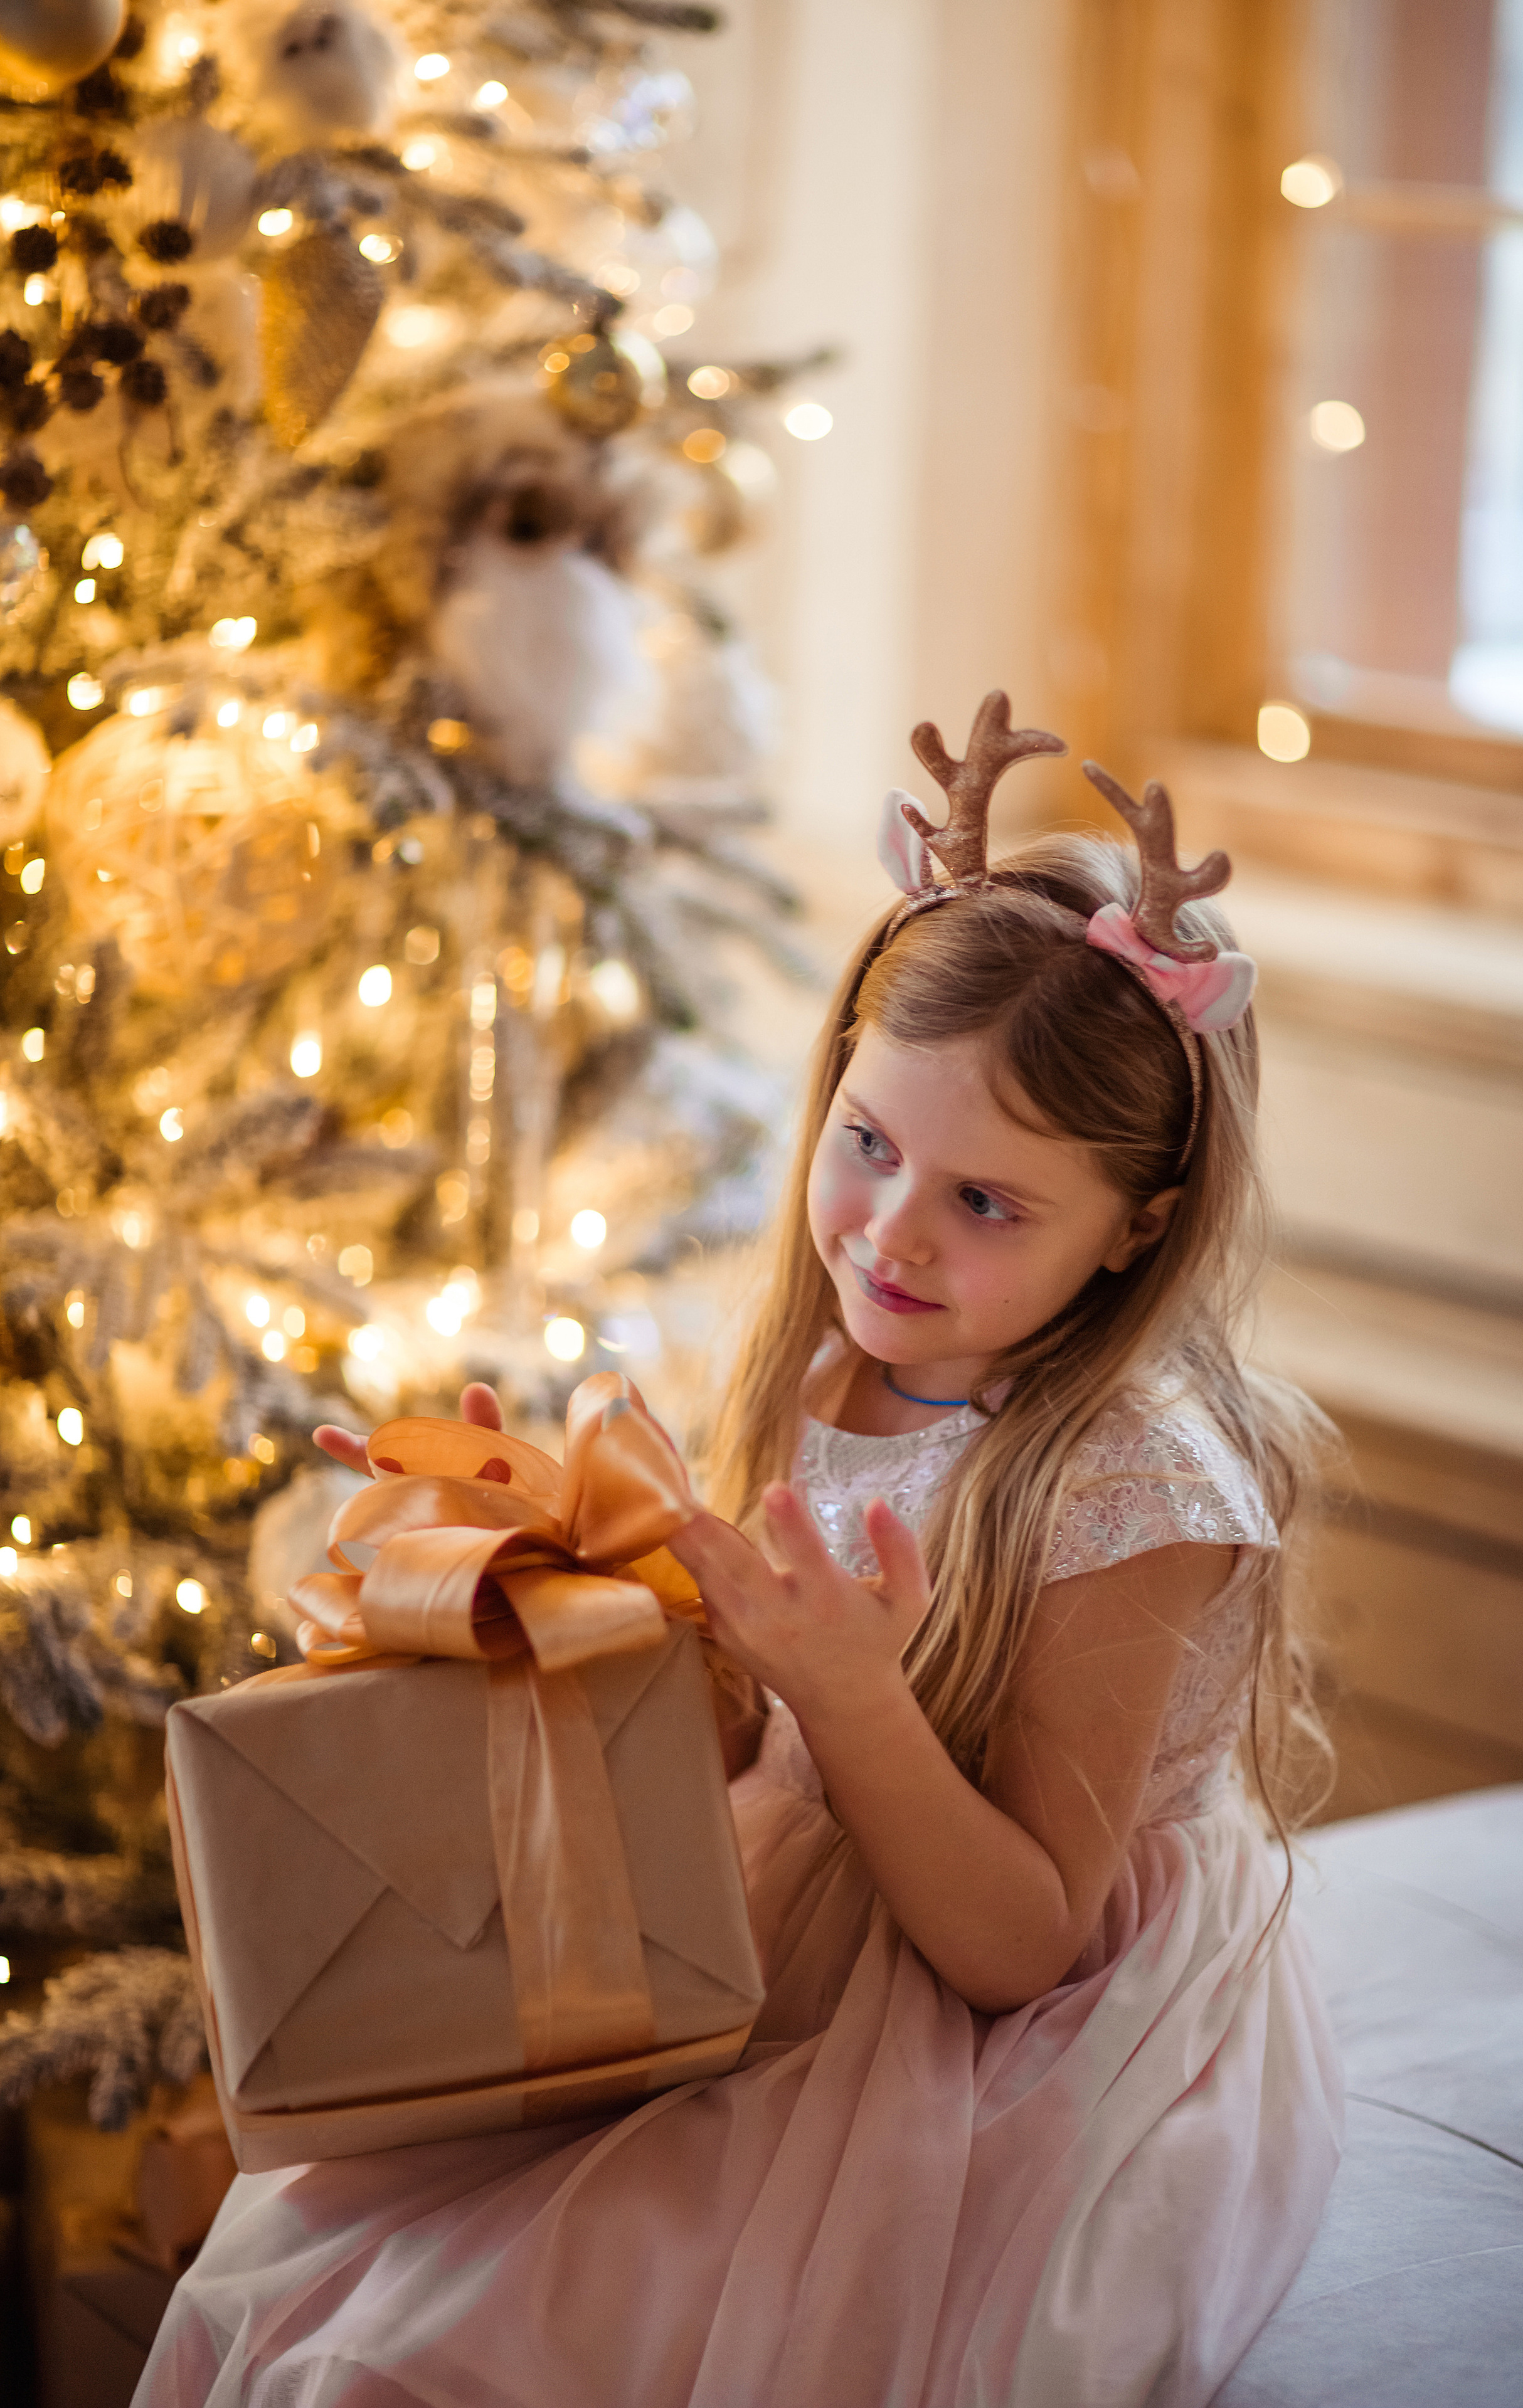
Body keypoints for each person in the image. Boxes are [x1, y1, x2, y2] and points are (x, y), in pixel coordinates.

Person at [137, 697, 1344, 2408]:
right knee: (320, 2260)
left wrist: (850, 1695)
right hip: (790, 1882)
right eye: (868, 1144)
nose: (890, 1233)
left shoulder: (1135, 1488)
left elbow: (1020, 1947)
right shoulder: (832, 1356)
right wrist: (549, 1559)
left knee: (497, 2332)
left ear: (1140, 1225)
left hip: (1003, 2004)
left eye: (987, 1203)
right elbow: (723, 1730)